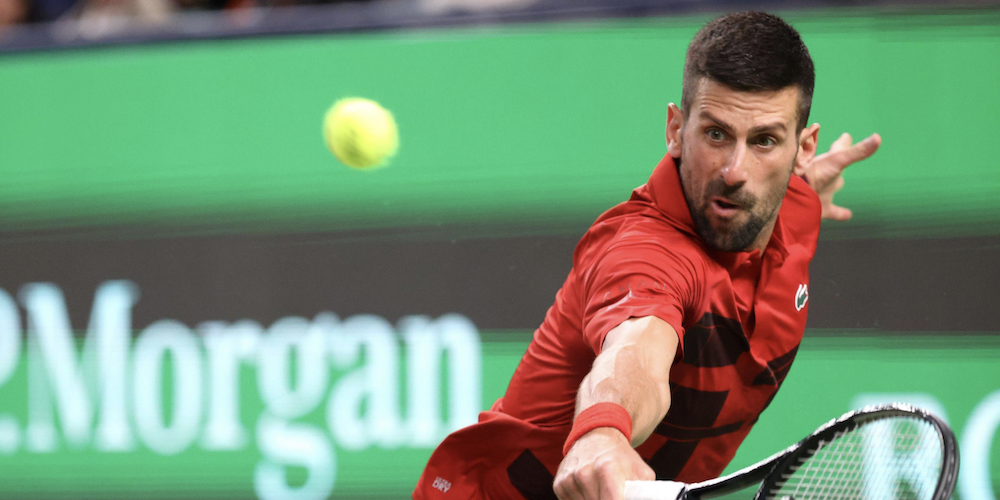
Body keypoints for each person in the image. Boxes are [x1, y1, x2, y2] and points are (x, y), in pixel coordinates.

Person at [413, 11, 881, 500]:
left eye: (765, 141)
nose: (735, 172)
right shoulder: (644, 253)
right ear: (676, 129)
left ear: (803, 149)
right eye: (715, 134)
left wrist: (806, 189)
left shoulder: (789, 204)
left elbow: (786, 195)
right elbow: (635, 349)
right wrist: (603, 432)